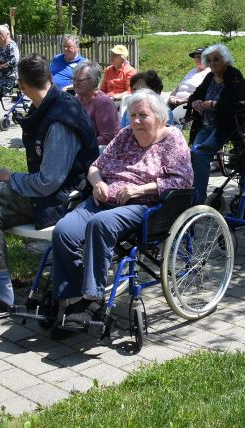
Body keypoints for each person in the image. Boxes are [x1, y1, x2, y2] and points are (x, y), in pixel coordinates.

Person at [0, 54, 99, 323]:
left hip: (64, 201)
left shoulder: (60, 119)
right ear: (48, 77)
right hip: (48, 195)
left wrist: (11, 177)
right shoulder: (46, 108)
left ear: (21, 86)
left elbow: (49, 181)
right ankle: (4, 295)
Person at [50, 89, 193, 327]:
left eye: (142, 115)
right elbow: (96, 166)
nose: (135, 121)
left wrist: (141, 190)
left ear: (160, 117)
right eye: (132, 115)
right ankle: (71, 294)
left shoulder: (172, 138)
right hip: (103, 199)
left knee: (99, 224)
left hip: (142, 206)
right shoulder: (126, 135)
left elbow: (183, 181)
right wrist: (98, 183)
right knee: (63, 231)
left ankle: (92, 296)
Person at [187, 44, 245, 204]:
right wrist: (196, 103)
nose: (212, 63)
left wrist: (211, 104)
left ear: (225, 60)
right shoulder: (209, 77)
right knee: (193, 154)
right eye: (210, 60)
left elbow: (232, 103)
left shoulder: (234, 75)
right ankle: (193, 195)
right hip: (205, 125)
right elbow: (194, 96)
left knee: (200, 154)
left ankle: (197, 200)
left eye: (216, 60)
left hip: (224, 127)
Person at [73, 61, 119, 146]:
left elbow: (107, 139)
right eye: (74, 79)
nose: (75, 83)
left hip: (98, 152)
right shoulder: (77, 99)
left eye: (80, 80)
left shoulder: (103, 103)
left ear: (93, 81)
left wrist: (77, 143)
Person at [167, 47, 210, 120]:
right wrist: (172, 96)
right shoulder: (192, 71)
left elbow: (200, 93)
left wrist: (183, 100)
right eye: (196, 57)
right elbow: (179, 86)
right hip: (175, 101)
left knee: (165, 116)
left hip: (187, 104)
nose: (197, 59)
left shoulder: (208, 73)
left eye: (200, 57)